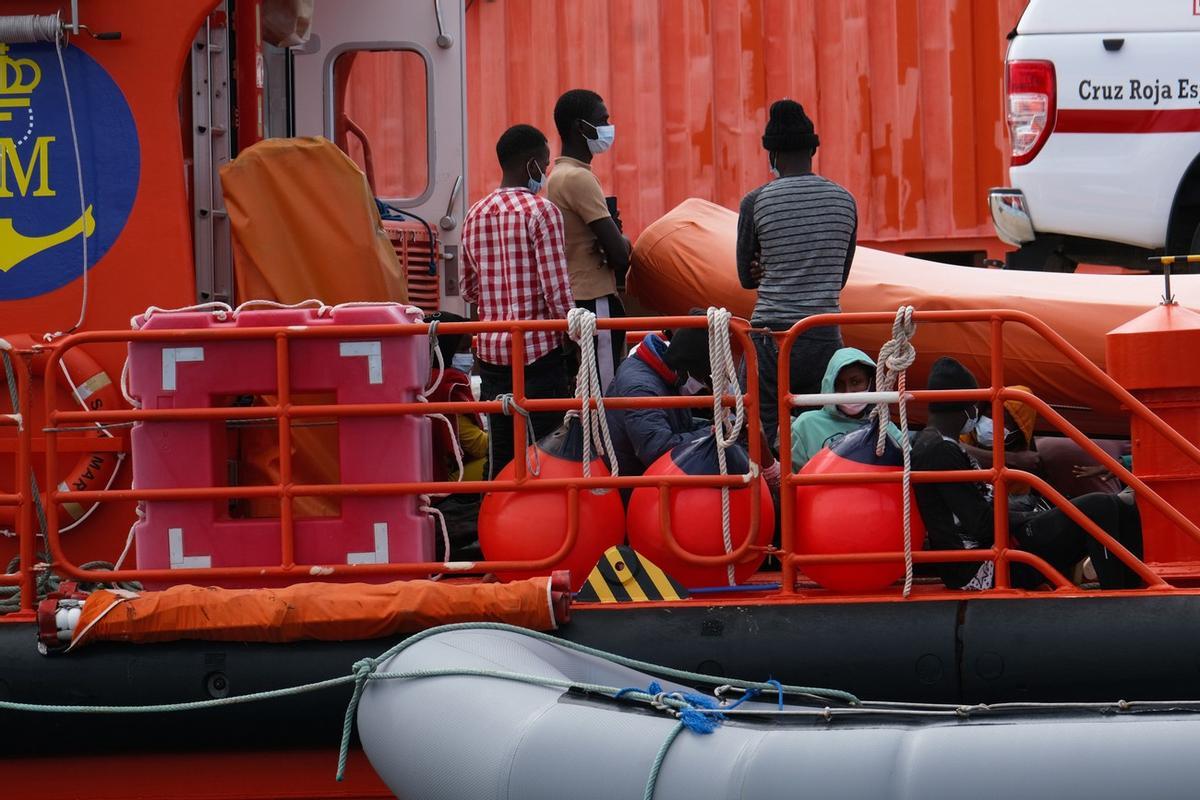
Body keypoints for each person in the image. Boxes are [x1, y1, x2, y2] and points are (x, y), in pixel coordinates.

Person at [911, 357, 1143, 591]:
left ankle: (1134, 591)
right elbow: (980, 523)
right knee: (1099, 508)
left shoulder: (940, 444)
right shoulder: (939, 449)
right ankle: (1120, 596)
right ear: (967, 405)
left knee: (1121, 508)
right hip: (980, 566)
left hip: (997, 546)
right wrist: (1030, 518)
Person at [736, 99, 858, 452]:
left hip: (771, 337)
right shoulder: (844, 200)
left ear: (772, 153)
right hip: (823, 334)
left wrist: (771, 267)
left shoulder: (756, 201)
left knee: (764, 425)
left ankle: (773, 498)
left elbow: (746, 275)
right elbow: (839, 279)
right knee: (827, 424)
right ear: (812, 149)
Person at [461, 124, 574, 478]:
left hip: (492, 357)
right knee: (545, 455)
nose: (545, 171)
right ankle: (543, 529)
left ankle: (497, 522)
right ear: (530, 165)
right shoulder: (543, 212)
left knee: (502, 455)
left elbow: (468, 290)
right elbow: (557, 294)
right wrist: (578, 338)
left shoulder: (474, 214)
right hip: (539, 356)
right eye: (544, 163)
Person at [547, 89, 631, 390]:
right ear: (581, 127)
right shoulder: (578, 179)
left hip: (574, 296)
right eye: (602, 119)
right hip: (594, 298)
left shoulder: (557, 175)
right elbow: (620, 255)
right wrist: (624, 240)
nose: (608, 126)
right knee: (604, 393)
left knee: (584, 392)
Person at [604, 326, 714, 480]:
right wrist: (712, 432)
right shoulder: (642, 390)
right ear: (687, 369)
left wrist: (711, 426)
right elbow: (657, 450)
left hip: (638, 471)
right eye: (701, 380)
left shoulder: (664, 374)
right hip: (632, 483)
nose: (700, 387)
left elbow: (673, 425)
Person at [789, 347, 901, 471]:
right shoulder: (806, 425)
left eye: (856, 382)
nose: (848, 391)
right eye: (839, 384)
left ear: (871, 382)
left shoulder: (886, 427)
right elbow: (791, 478)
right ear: (830, 385)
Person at [425, 312, 488, 484]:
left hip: (429, 473)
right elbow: (479, 446)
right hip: (444, 479)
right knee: (503, 459)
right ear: (445, 349)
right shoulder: (445, 388)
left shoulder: (423, 379)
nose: (468, 357)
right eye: (462, 350)